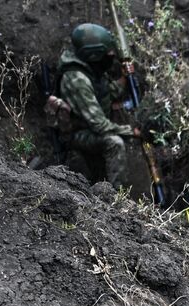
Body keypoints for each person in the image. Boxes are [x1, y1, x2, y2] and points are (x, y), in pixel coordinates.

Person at [57, 23, 139, 188]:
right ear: (94, 54)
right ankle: (118, 198)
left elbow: (105, 94)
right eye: (108, 53)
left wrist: (124, 78)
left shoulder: (91, 68)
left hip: (91, 129)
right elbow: (99, 125)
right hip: (77, 135)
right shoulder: (77, 79)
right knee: (115, 142)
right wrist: (133, 132)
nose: (111, 55)